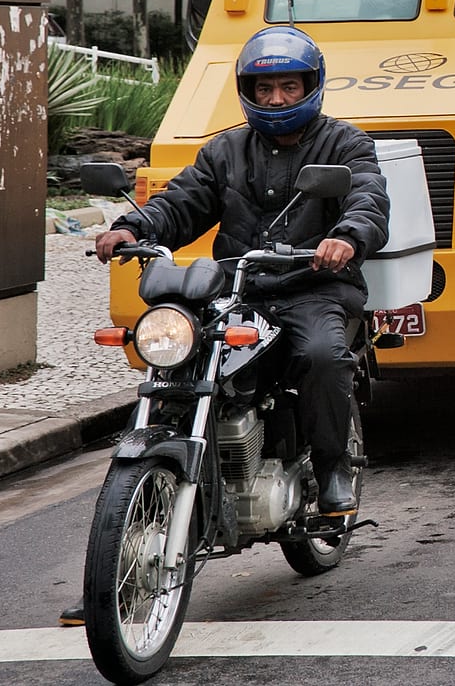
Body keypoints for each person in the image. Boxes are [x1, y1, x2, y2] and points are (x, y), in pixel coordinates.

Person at [95, 25, 388, 511]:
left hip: (314, 287)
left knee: (321, 355)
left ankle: (332, 465)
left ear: (310, 86)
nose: (276, 98)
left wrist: (345, 237)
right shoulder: (223, 151)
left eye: (289, 86)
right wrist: (133, 226)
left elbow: (368, 199)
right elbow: (182, 202)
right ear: (248, 91)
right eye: (265, 88)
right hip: (238, 291)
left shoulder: (344, 144)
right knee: (183, 358)